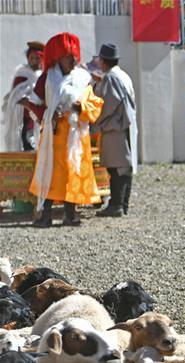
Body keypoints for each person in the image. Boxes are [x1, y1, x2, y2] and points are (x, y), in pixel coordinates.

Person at [24, 32, 104, 228]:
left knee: (73, 174)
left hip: (76, 135)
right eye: (68, 56)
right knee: (50, 174)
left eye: (75, 56)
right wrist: (47, 116)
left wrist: (81, 108)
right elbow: (34, 102)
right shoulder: (48, 77)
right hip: (54, 134)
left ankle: (70, 215)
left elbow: (94, 102)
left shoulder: (83, 77)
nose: (73, 60)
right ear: (58, 57)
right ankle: (46, 215)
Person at [91, 44, 137, 218]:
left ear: (103, 61)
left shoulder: (111, 77)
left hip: (115, 126)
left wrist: (95, 120)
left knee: (116, 167)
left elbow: (109, 103)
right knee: (124, 166)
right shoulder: (123, 75)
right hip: (126, 124)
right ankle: (123, 204)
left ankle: (117, 204)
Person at [2, 41, 43, 152]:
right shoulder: (21, 73)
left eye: (37, 58)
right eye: (32, 58)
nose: (34, 61)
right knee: (24, 143)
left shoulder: (46, 76)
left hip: (39, 117)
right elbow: (15, 95)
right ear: (28, 59)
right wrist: (24, 101)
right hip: (22, 118)